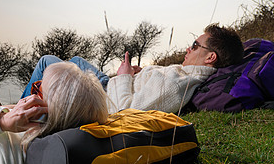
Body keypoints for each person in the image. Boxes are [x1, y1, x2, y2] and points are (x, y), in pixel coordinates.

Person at [22, 23, 244, 114]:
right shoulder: (185, 72)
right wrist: (142, 73)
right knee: (74, 61)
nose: (189, 48)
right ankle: (29, 107)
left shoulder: (179, 83)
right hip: (114, 85)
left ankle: (20, 114)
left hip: (106, 94)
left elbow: (124, 111)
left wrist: (124, 77)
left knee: (47, 62)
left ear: (210, 57)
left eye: (195, 46)